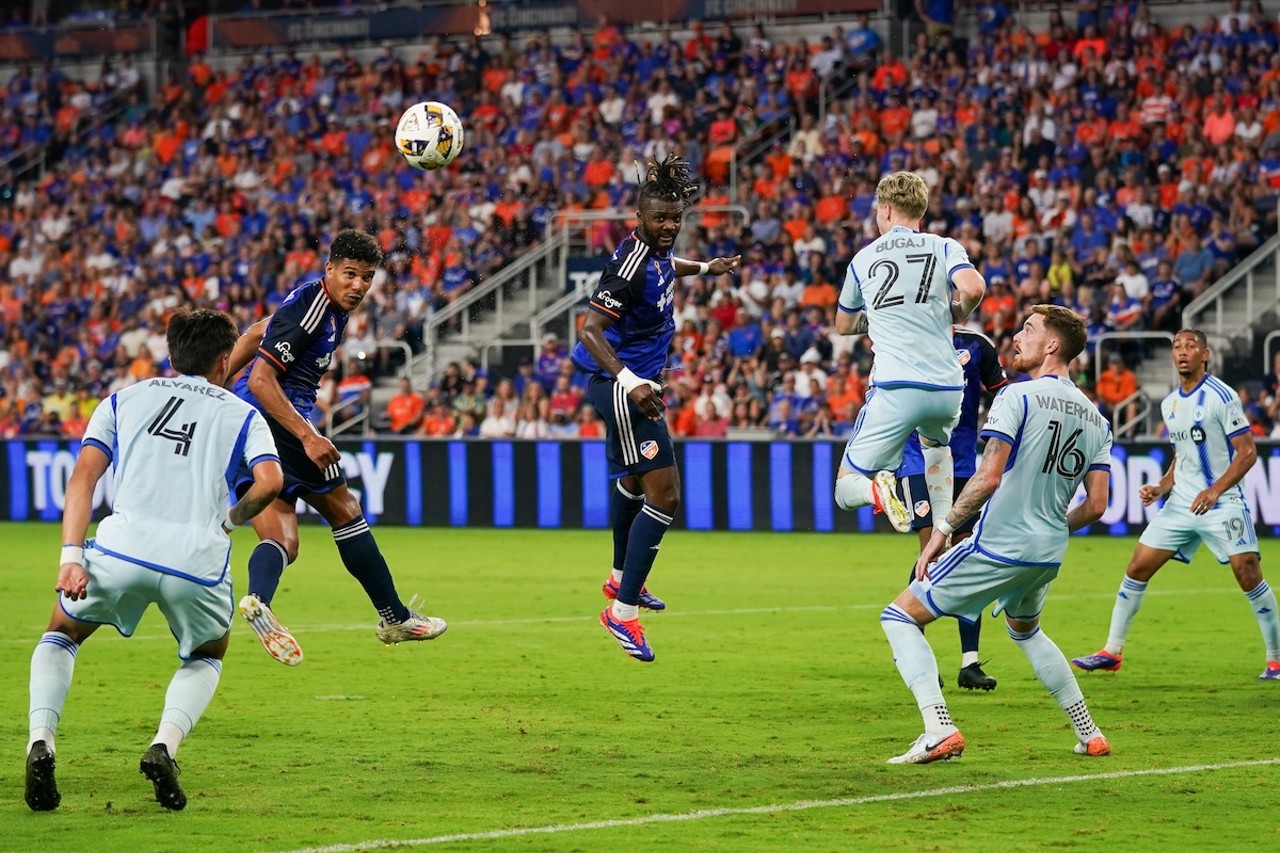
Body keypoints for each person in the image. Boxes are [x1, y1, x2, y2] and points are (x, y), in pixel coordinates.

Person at [25, 309, 283, 811]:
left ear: (171, 356)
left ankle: (41, 740)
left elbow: (83, 479)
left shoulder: (122, 399)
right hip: (195, 561)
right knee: (207, 654)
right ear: (225, 359)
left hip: (122, 549)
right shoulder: (242, 414)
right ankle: (164, 745)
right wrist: (230, 520)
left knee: (61, 632)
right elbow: (270, 482)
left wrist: (71, 557)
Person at [880, 306, 1113, 764]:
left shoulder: (1017, 398)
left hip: (999, 545)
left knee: (899, 616)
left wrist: (941, 532)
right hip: (1047, 553)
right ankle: (1090, 733)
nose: (1017, 336)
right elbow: (1098, 505)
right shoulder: (1096, 418)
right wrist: (1048, 524)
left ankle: (937, 727)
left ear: (1052, 345)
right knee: (1026, 632)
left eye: (1029, 329)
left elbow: (988, 478)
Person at [228, 229, 446, 665]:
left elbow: (256, 332)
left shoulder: (314, 301)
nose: (358, 286)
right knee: (345, 511)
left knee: (283, 540)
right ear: (329, 269)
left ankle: (258, 601)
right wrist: (308, 435)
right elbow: (261, 379)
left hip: (241, 425)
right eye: (349, 274)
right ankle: (394, 616)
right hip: (280, 421)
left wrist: (214, 387)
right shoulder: (316, 307)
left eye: (367, 277)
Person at [571, 153, 740, 662]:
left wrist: (706, 268)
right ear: (638, 219)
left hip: (630, 383)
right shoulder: (627, 265)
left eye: (675, 219)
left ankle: (623, 578)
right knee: (664, 497)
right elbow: (590, 330)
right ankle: (621, 613)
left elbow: (669, 268)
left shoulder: (657, 252)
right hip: (622, 384)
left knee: (632, 482)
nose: (668, 227)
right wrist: (630, 382)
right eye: (659, 219)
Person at [1073, 330, 1279, 680]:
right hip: (1181, 504)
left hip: (1222, 502)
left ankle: (1275, 658)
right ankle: (1112, 651)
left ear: (1206, 354)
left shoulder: (1221, 396)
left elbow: (1247, 453)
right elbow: (1181, 456)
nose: (1182, 352)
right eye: (1177, 347)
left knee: (1247, 572)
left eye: (1190, 346)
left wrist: (1214, 490)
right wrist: (1161, 485)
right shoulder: (1169, 404)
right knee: (1137, 567)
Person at [833, 171, 987, 534]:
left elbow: (843, 324)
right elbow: (973, 287)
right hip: (948, 388)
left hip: (897, 386)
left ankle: (877, 489)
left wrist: (880, 318)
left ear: (885, 209)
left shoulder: (863, 258)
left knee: (844, 486)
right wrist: (958, 313)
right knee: (936, 448)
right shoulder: (943, 245)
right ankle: (943, 529)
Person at [896, 325, 1008, 691]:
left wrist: (997, 437)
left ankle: (969, 663)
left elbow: (1002, 396)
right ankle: (918, 657)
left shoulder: (978, 345)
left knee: (963, 555)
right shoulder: (907, 333)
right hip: (917, 460)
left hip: (961, 464)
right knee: (931, 550)